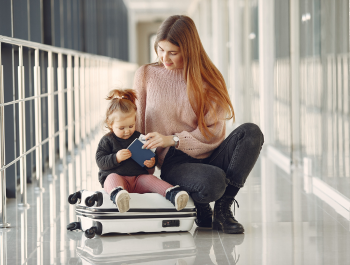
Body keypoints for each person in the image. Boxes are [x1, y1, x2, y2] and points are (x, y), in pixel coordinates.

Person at [133, 15, 264, 234]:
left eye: (173, 52)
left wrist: (173, 138)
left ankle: (223, 210)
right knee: (213, 182)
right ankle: (201, 204)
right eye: (161, 49)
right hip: (174, 161)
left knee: (252, 132)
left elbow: (213, 134)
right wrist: (128, 168)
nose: (165, 57)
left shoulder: (209, 79)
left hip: (209, 152)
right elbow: (137, 126)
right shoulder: (146, 75)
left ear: (189, 49)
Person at [95, 88, 189, 213]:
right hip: (118, 178)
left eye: (131, 126)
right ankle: (118, 196)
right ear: (110, 124)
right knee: (111, 178)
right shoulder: (107, 140)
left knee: (150, 179)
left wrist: (151, 162)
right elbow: (100, 161)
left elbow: (151, 156)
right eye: (121, 128)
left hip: (138, 178)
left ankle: (173, 193)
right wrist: (116, 157)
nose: (127, 131)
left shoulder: (140, 137)